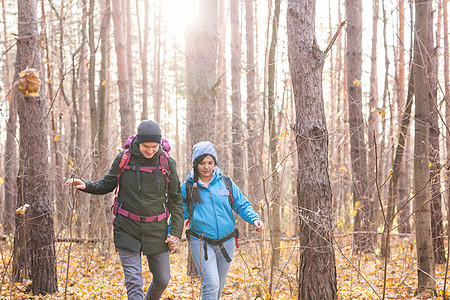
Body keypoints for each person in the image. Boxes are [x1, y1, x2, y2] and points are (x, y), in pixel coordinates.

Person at [65, 120, 183, 300]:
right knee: (134, 282)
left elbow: (175, 199)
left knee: (162, 279)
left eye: (154, 146)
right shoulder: (123, 159)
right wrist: (86, 185)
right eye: (146, 146)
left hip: (156, 229)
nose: (150, 150)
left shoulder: (167, 162)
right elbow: (107, 184)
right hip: (127, 228)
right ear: (138, 142)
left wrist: (175, 232)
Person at [181, 141, 264, 299]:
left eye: (210, 163)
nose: (206, 167)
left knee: (218, 287)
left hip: (227, 243)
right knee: (211, 285)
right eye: (202, 163)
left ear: (215, 163)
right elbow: (179, 214)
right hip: (201, 242)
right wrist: (171, 234)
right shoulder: (188, 187)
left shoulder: (226, 182)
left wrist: (254, 219)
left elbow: (241, 204)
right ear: (195, 164)